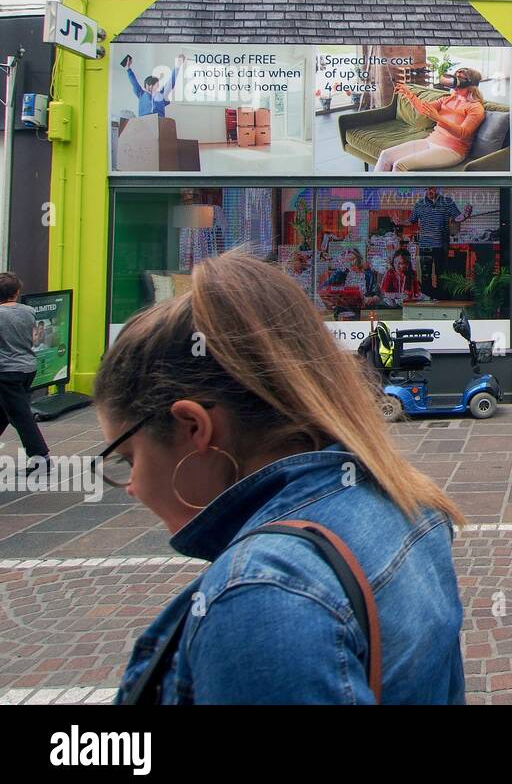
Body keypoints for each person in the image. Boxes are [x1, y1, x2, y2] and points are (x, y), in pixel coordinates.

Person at [99, 253, 466, 704]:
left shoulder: (260, 598)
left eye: (127, 458)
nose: (132, 485)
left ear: (194, 427)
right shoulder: (411, 502)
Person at [375, 67, 487, 172]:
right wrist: (410, 95)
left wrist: (438, 118)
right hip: (431, 141)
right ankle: (371, 191)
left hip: (452, 150)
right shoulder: (447, 99)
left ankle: (391, 193)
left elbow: (464, 133)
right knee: (386, 155)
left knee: (400, 165)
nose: (455, 84)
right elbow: (424, 109)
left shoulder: (475, 108)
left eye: (460, 80)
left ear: (471, 85)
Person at [0, 273, 50, 470]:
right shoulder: (29, 311)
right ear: (17, 292)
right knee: (4, 412)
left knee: (20, 415)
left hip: (6, 371)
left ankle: (40, 455)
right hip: (27, 367)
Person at [410, 187, 472, 298]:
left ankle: (442, 298)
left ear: (436, 188)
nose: (429, 191)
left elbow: (457, 217)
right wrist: (399, 221)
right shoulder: (419, 204)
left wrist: (465, 215)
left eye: (432, 188)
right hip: (425, 245)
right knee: (425, 274)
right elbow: (411, 220)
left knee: (441, 273)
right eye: (427, 189)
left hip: (441, 245)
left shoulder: (447, 202)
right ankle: (426, 297)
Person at [121, 54, 184, 119]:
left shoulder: (161, 94)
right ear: (148, 86)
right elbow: (134, 83)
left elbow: (171, 82)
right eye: (154, 84)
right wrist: (128, 69)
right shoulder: (141, 94)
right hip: (145, 120)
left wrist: (178, 66)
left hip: (159, 119)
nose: (154, 87)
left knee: (169, 122)